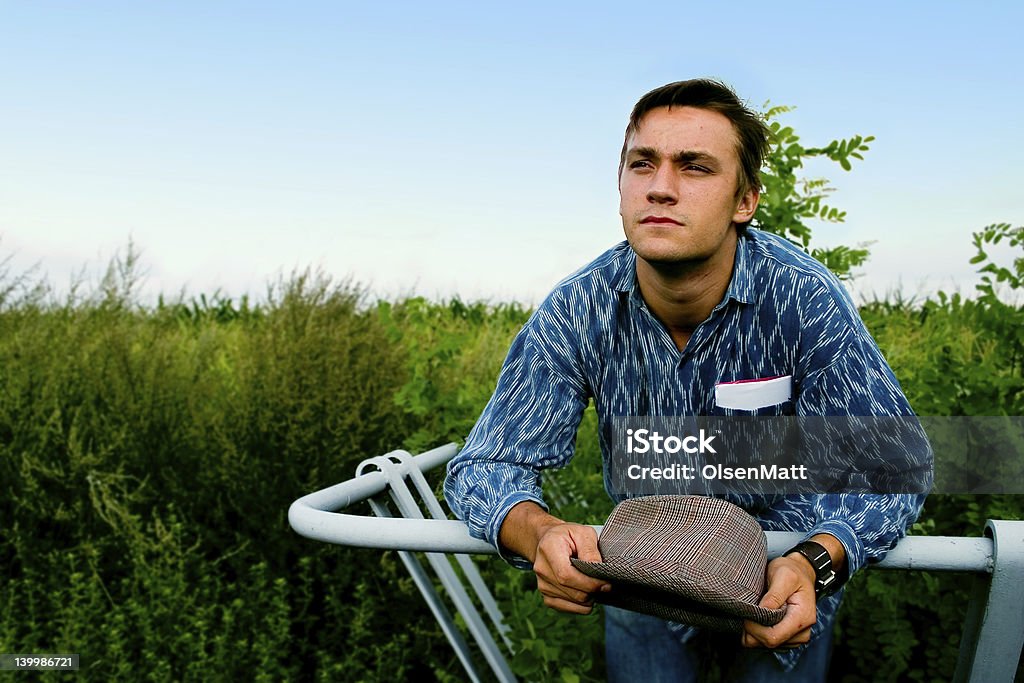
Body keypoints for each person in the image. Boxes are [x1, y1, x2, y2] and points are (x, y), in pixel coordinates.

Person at [443, 78, 928, 681]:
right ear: (620, 183)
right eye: (642, 163)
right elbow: (486, 465)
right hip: (639, 580)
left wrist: (814, 563)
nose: (661, 187)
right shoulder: (577, 309)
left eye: (694, 167)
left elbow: (893, 463)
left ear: (744, 200)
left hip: (781, 581)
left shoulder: (805, 299)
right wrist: (537, 530)